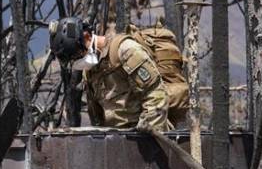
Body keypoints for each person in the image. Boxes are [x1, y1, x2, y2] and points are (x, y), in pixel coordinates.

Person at [48, 17, 177, 133]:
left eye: (77, 55)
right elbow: (97, 117)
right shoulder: (90, 72)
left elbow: (156, 94)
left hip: (146, 137)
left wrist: (149, 136)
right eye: (73, 59)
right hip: (118, 142)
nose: (77, 61)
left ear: (87, 36)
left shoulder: (125, 50)